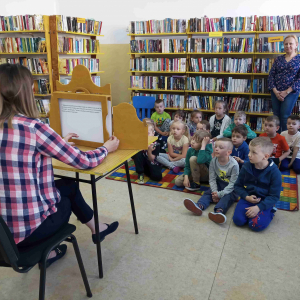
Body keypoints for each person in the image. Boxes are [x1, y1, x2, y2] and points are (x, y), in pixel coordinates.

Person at [0, 64, 120, 268]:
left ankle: (89, 233)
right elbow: (84, 161)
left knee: (67, 185)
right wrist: (106, 148)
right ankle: (94, 230)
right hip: (27, 234)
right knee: (68, 192)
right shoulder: (34, 129)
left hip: (3, 236)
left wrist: (57, 142)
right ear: (26, 92)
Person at [183, 138, 239, 224]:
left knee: (227, 197)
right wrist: (214, 192)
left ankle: (219, 212)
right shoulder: (213, 161)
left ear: (228, 152)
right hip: (219, 183)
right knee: (208, 193)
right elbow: (212, 178)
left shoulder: (234, 165)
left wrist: (219, 194)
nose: (216, 149)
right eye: (216, 146)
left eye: (220, 147)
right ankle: (199, 206)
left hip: (232, 188)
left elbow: (233, 184)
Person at [233, 137, 282, 232]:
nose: (249, 155)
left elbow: (274, 196)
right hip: (248, 198)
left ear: (266, 156)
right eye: (249, 151)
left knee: (255, 225)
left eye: (254, 152)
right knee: (238, 221)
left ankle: (271, 211)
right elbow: (237, 185)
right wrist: (246, 197)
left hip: (265, 201)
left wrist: (259, 207)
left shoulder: (275, 173)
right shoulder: (246, 166)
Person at [268, 35, 300, 133]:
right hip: (276, 91)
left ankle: (285, 141)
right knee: (276, 116)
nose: (288, 46)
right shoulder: (278, 59)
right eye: (286, 44)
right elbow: (271, 75)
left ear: (296, 45)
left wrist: (286, 92)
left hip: (291, 92)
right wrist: (276, 91)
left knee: (285, 116)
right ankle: (276, 139)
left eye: (291, 43)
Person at [133, 119, 162, 184]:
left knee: (157, 177)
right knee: (138, 153)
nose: (146, 136)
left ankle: (145, 171)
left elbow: (151, 159)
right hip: (142, 161)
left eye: (148, 133)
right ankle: (140, 173)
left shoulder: (156, 144)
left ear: (153, 133)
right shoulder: (140, 142)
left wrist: (149, 150)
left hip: (151, 163)